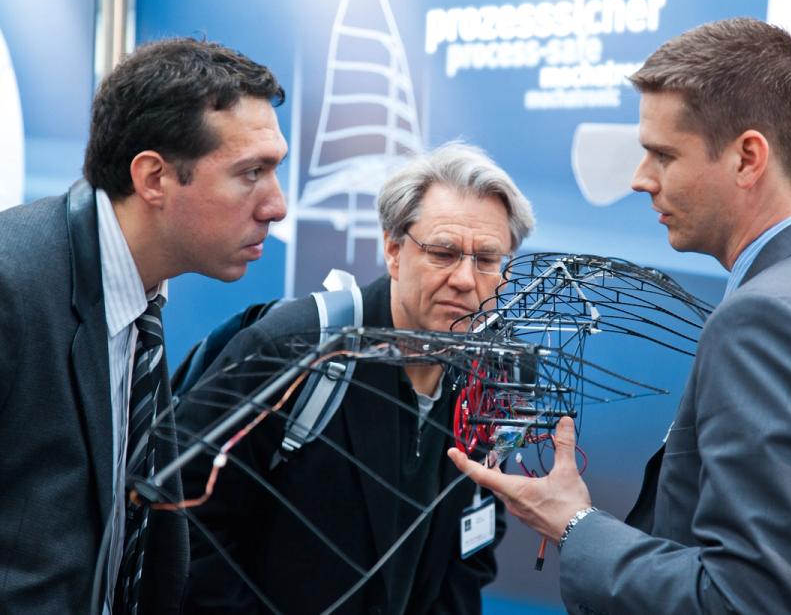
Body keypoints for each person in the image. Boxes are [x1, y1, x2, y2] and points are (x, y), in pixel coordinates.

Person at [450, 17, 791, 614]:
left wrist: (574, 524)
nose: (641, 180)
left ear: (748, 158)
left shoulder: (768, 321)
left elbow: (742, 600)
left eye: (663, 155)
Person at [175, 142, 535, 614]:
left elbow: (472, 544)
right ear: (393, 249)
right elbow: (184, 523)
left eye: (487, 260)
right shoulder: (296, 348)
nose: (466, 280)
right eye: (443, 253)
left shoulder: (496, 378)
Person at [0, 37, 288, 613]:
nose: (276, 206)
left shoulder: (141, 295)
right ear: (154, 178)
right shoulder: (13, 283)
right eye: (251, 172)